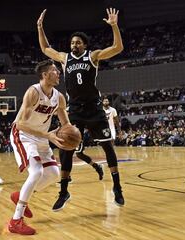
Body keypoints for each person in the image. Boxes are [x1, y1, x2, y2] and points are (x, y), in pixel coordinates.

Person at [37, 7, 125, 210]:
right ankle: (64, 191)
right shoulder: (65, 58)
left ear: (84, 45)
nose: (74, 44)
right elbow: (45, 49)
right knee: (65, 149)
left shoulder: (93, 56)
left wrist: (114, 26)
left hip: (94, 109)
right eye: (72, 42)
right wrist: (40, 27)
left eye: (78, 42)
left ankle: (117, 187)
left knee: (107, 147)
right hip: (74, 110)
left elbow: (117, 48)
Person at [8, 59, 71, 235]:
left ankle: (19, 195)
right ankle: (15, 221)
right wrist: (48, 135)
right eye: (54, 70)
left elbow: (66, 123)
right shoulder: (33, 92)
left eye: (58, 70)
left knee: (53, 174)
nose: (58, 73)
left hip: (42, 137)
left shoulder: (59, 97)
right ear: (45, 74)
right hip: (23, 135)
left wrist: (71, 134)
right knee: (36, 172)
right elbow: (20, 125)